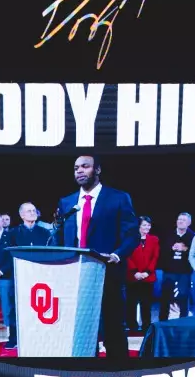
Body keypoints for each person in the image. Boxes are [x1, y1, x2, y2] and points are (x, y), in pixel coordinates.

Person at [56, 153, 142, 360]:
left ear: (98, 170)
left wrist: (116, 255)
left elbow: (132, 235)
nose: (79, 171)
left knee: (112, 326)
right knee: (80, 327)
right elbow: (60, 238)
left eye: (85, 166)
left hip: (107, 273)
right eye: (76, 167)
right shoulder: (67, 202)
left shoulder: (119, 198)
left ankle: (118, 370)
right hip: (74, 276)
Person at [5, 202, 54, 348]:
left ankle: (41, 335)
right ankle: (14, 338)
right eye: (29, 211)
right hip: (20, 276)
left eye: (34, 210)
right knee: (16, 306)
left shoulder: (45, 233)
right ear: (21, 215)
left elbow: (50, 253)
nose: (32, 213)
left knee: (41, 306)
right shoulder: (13, 233)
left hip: (41, 276)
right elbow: (9, 254)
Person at [126, 214, 162, 332]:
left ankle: (146, 326)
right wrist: (135, 272)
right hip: (133, 276)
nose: (147, 227)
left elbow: (155, 257)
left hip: (148, 277)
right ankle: (132, 326)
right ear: (139, 226)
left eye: (149, 225)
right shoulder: (131, 238)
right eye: (144, 225)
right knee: (131, 303)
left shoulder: (154, 239)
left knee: (146, 304)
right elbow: (128, 256)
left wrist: (147, 272)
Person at [159, 210, 195, 320]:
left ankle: (183, 321)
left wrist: (185, 249)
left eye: (183, 220)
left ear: (189, 223)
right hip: (169, 271)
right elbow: (161, 251)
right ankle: (163, 321)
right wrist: (171, 248)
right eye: (179, 219)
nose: (180, 222)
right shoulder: (168, 234)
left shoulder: (193, 236)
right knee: (165, 297)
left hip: (184, 272)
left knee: (183, 297)